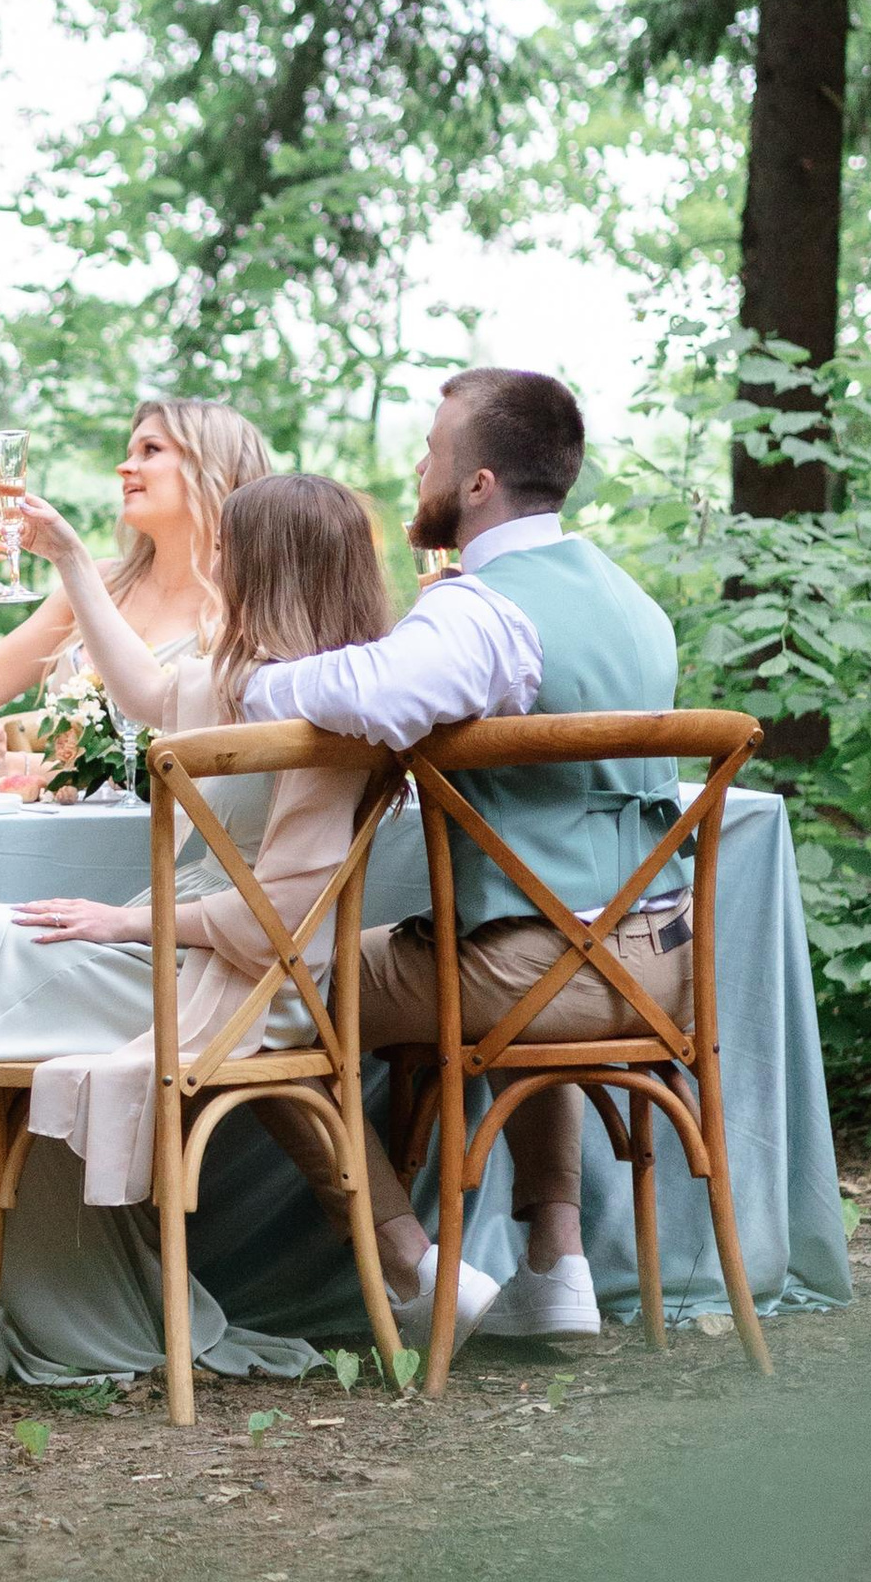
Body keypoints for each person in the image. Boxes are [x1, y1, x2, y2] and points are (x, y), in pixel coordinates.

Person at [0, 471, 499, 1382]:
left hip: (232, 982)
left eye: (230, 551)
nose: (215, 563)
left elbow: (282, 924)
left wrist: (127, 927)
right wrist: (70, 561)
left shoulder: (328, 716)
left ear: (267, 567)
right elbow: (142, 692)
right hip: (177, 948)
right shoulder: (248, 680)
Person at [240, 366, 691, 1346]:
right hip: (658, 965)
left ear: (478, 483)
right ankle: (554, 1262)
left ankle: (409, 1268)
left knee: (264, 998)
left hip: (534, 972)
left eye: (433, 454)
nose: (418, 470)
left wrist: (244, 685)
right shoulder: (631, 603)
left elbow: (367, 695)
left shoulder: (479, 607)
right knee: (507, 938)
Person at [0, 397, 274, 780]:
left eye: (151, 450)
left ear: (212, 467)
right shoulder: (98, 583)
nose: (124, 467)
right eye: (130, 452)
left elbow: (233, 771)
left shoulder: (252, 608)